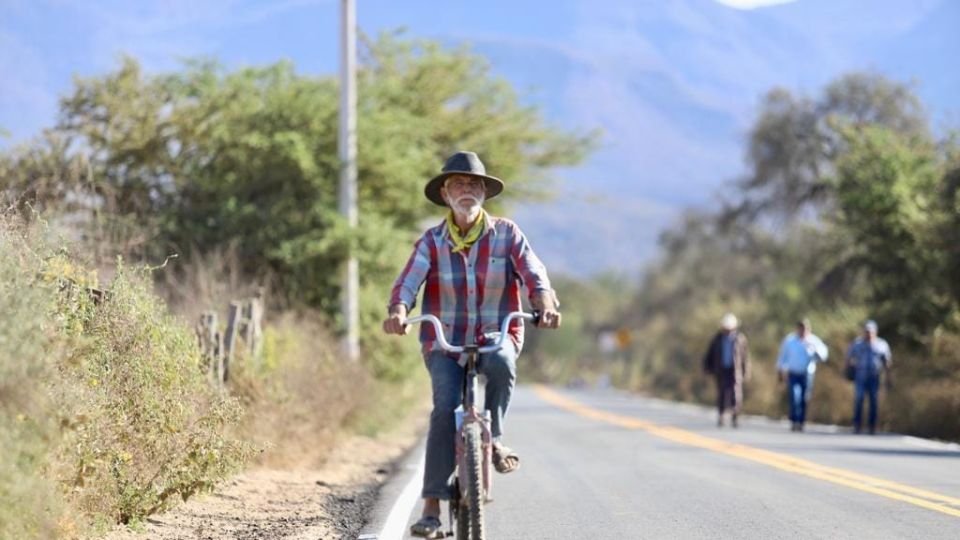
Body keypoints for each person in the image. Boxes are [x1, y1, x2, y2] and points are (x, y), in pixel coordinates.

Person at [382, 151, 561, 538]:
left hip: (497, 334)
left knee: (500, 361)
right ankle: (431, 505)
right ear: (445, 195)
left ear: (484, 193)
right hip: (445, 341)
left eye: (474, 185)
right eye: (459, 185)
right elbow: (408, 283)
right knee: (444, 409)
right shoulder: (431, 242)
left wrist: (544, 305)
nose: (467, 191)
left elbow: (534, 274)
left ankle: (494, 439)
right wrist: (398, 310)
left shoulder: (507, 234)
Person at [776, 319, 828, 432]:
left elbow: (823, 355)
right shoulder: (790, 340)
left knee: (805, 398)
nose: (803, 331)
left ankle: (801, 421)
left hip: (807, 374)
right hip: (793, 373)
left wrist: (815, 352)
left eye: (805, 328)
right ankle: (794, 420)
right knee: (795, 397)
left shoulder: (813, 341)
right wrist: (780, 370)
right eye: (801, 328)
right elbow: (782, 356)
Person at [702, 313, 750, 428]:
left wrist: (746, 371)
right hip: (721, 369)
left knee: (736, 393)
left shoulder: (740, 339)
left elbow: (745, 357)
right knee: (722, 393)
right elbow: (710, 354)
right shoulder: (717, 338)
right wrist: (707, 367)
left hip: (735, 370)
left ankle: (735, 415)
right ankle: (722, 415)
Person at [845, 320, 892, 434]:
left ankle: (872, 426)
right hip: (860, 376)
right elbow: (849, 358)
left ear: (875, 332)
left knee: (874, 401)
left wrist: (888, 377)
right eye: (866, 332)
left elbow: (887, 362)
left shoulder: (882, 345)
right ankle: (857, 425)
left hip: (874, 377)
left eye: (871, 332)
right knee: (859, 399)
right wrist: (848, 370)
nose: (868, 334)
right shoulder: (857, 344)